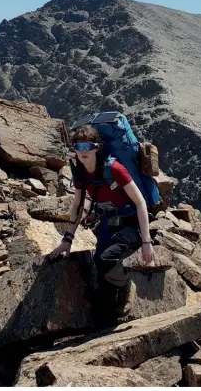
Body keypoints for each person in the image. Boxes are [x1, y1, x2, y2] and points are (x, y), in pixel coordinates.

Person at [49, 124, 155, 324]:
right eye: (78, 147)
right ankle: (108, 314)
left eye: (87, 147)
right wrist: (67, 239)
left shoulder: (114, 168)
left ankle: (125, 287)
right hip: (108, 221)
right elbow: (78, 204)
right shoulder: (79, 171)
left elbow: (140, 202)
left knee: (106, 259)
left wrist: (146, 242)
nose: (83, 152)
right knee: (99, 268)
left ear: (97, 147)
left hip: (131, 224)